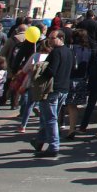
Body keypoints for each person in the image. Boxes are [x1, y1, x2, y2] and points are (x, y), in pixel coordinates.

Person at [31, 28, 73, 158]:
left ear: (61, 38)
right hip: (64, 88)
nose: (49, 40)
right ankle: (39, 140)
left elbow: (51, 71)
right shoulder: (69, 51)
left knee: (50, 119)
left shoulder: (56, 52)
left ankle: (54, 146)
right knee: (48, 117)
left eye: (52, 38)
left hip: (52, 89)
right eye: (49, 38)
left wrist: (39, 73)